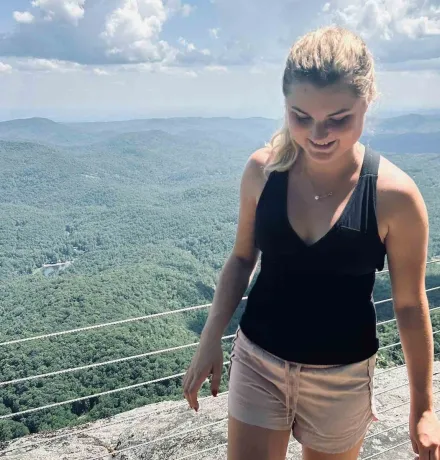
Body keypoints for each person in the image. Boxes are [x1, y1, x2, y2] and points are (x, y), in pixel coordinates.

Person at [183, 25, 440, 459]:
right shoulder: (262, 173)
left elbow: (411, 305)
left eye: (339, 119)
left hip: (343, 378)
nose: (318, 133)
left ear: (367, 102)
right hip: (258, 361)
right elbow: (242, 257)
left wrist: (424, 408)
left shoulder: (395, 197)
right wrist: (210, 338)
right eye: (300, 116)